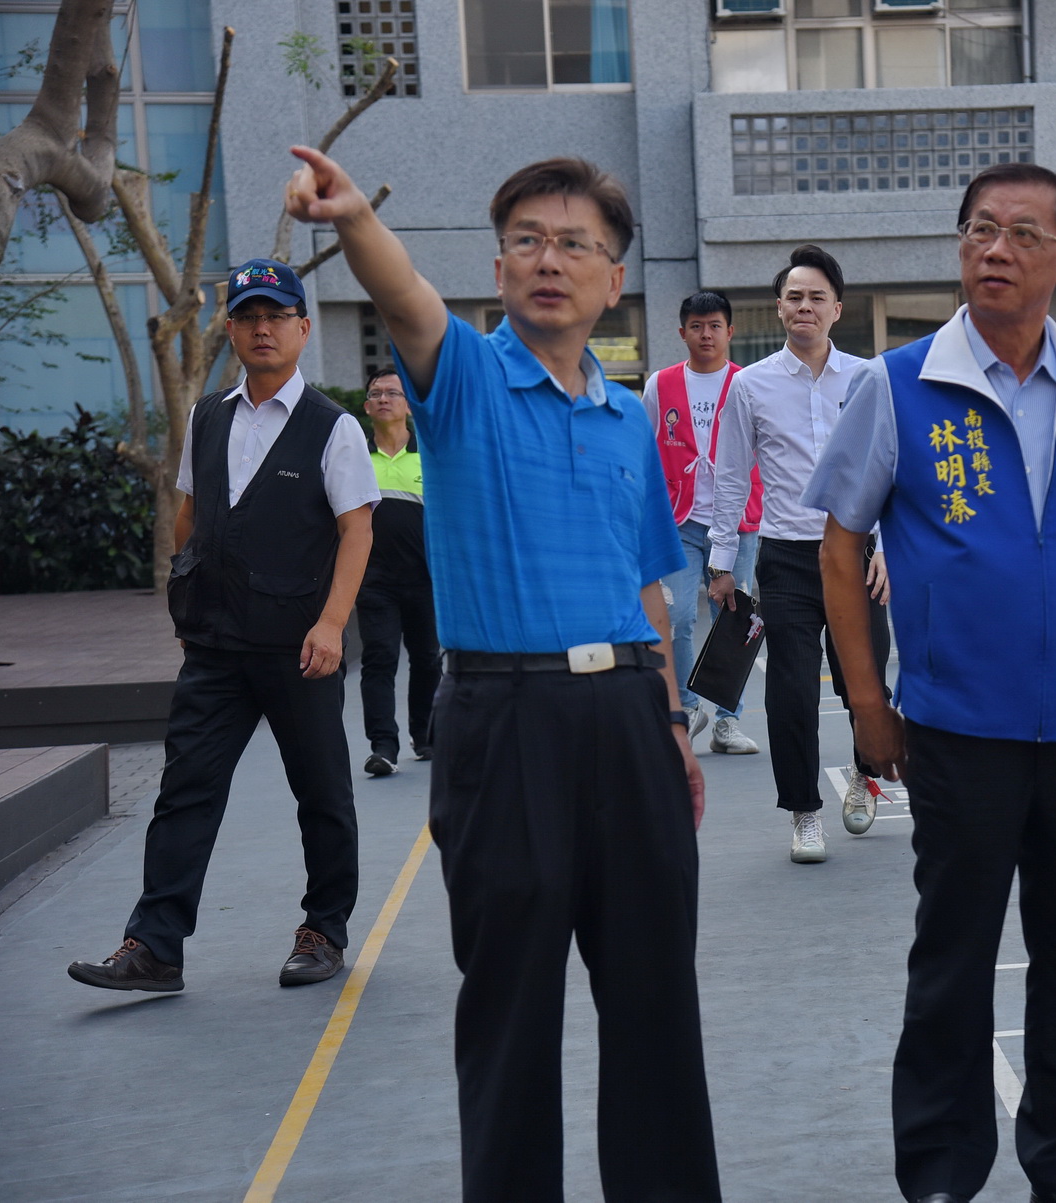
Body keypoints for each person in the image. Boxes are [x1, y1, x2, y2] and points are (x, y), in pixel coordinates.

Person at [284, 149, 720, 1203]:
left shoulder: (624, 425)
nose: (549, 261)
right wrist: (352, 221)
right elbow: (405, 296)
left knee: (655, 1000)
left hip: (627, 713)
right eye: (527, 241)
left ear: (615, 279)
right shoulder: (465, 378)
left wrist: (669, 719)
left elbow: (646, 588)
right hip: (501, 718)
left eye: (576, 245)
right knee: (511, 1009)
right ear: (499, 266)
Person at [805, 162, 1056, 1203]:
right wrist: (867, 702)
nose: (993, 251)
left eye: (1018, 234)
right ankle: (938, 1176)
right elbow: (839, 548)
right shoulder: (899, 382)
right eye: (976, 231)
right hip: (955, 732)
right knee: (952, 970)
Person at [67, 258, 378, 993]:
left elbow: (358, 530)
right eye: (247, 316)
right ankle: (154, 946)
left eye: (275, 315)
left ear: (303, 326)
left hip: (299, 647)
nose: (261, 328)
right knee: (185, 792)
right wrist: (186, 595)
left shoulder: (333, 428)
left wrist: (333, 624)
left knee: (322, 792)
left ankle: (323, 929)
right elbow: (191, 514)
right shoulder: (209, 417)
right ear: (231, 330)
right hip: (213, 648)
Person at [707, 243, 892, 863]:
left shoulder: (870, 378)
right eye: (795, 296)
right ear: (779, 308)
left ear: (837, 308)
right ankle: (804, 811)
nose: (805, 306)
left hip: (858, 553)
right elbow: (730, 478)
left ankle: (866, 776)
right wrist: (721, 558)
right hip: (785, 558)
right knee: (789, 691)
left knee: (862, 680)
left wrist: (886, 550)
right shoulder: (749, 386)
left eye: (817, 297)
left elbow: (891, 471)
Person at [642, 290, 761, 755]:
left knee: (732, 619)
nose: (706, 334)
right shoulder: (661, 384)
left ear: (730, 332)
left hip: (737, 522)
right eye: (697, 326)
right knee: (675, 614)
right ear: (682, 333)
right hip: (680, 517)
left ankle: (729, 721)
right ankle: (689, 705)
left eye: (714, 326)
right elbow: (648, 451)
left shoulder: (748, 383)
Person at [356, 366, 441, 777]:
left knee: (427, 659)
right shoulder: (355, 457)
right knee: (380, 658)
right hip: (373, 582)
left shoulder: (430, 452)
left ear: (408, 405)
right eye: (376, 393)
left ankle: (425, 737)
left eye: (393, 392)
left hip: (427, 580)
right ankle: (383, 747)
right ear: (367, 406)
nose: (384, 399)